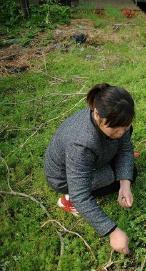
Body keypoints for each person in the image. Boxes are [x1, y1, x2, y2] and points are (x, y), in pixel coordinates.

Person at [44, 83, 137, 254]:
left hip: (92, 159)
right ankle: (67, 199)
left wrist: (125, 185)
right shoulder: (81, 145)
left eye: (125, 128)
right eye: (116, 129)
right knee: (114, 175)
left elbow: (125, 147)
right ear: (96, 114)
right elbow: (81, 194)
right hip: (64, 177)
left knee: (129, 172)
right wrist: (112, 231)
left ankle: (116, 168)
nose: (121, 133)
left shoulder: (118, 120)